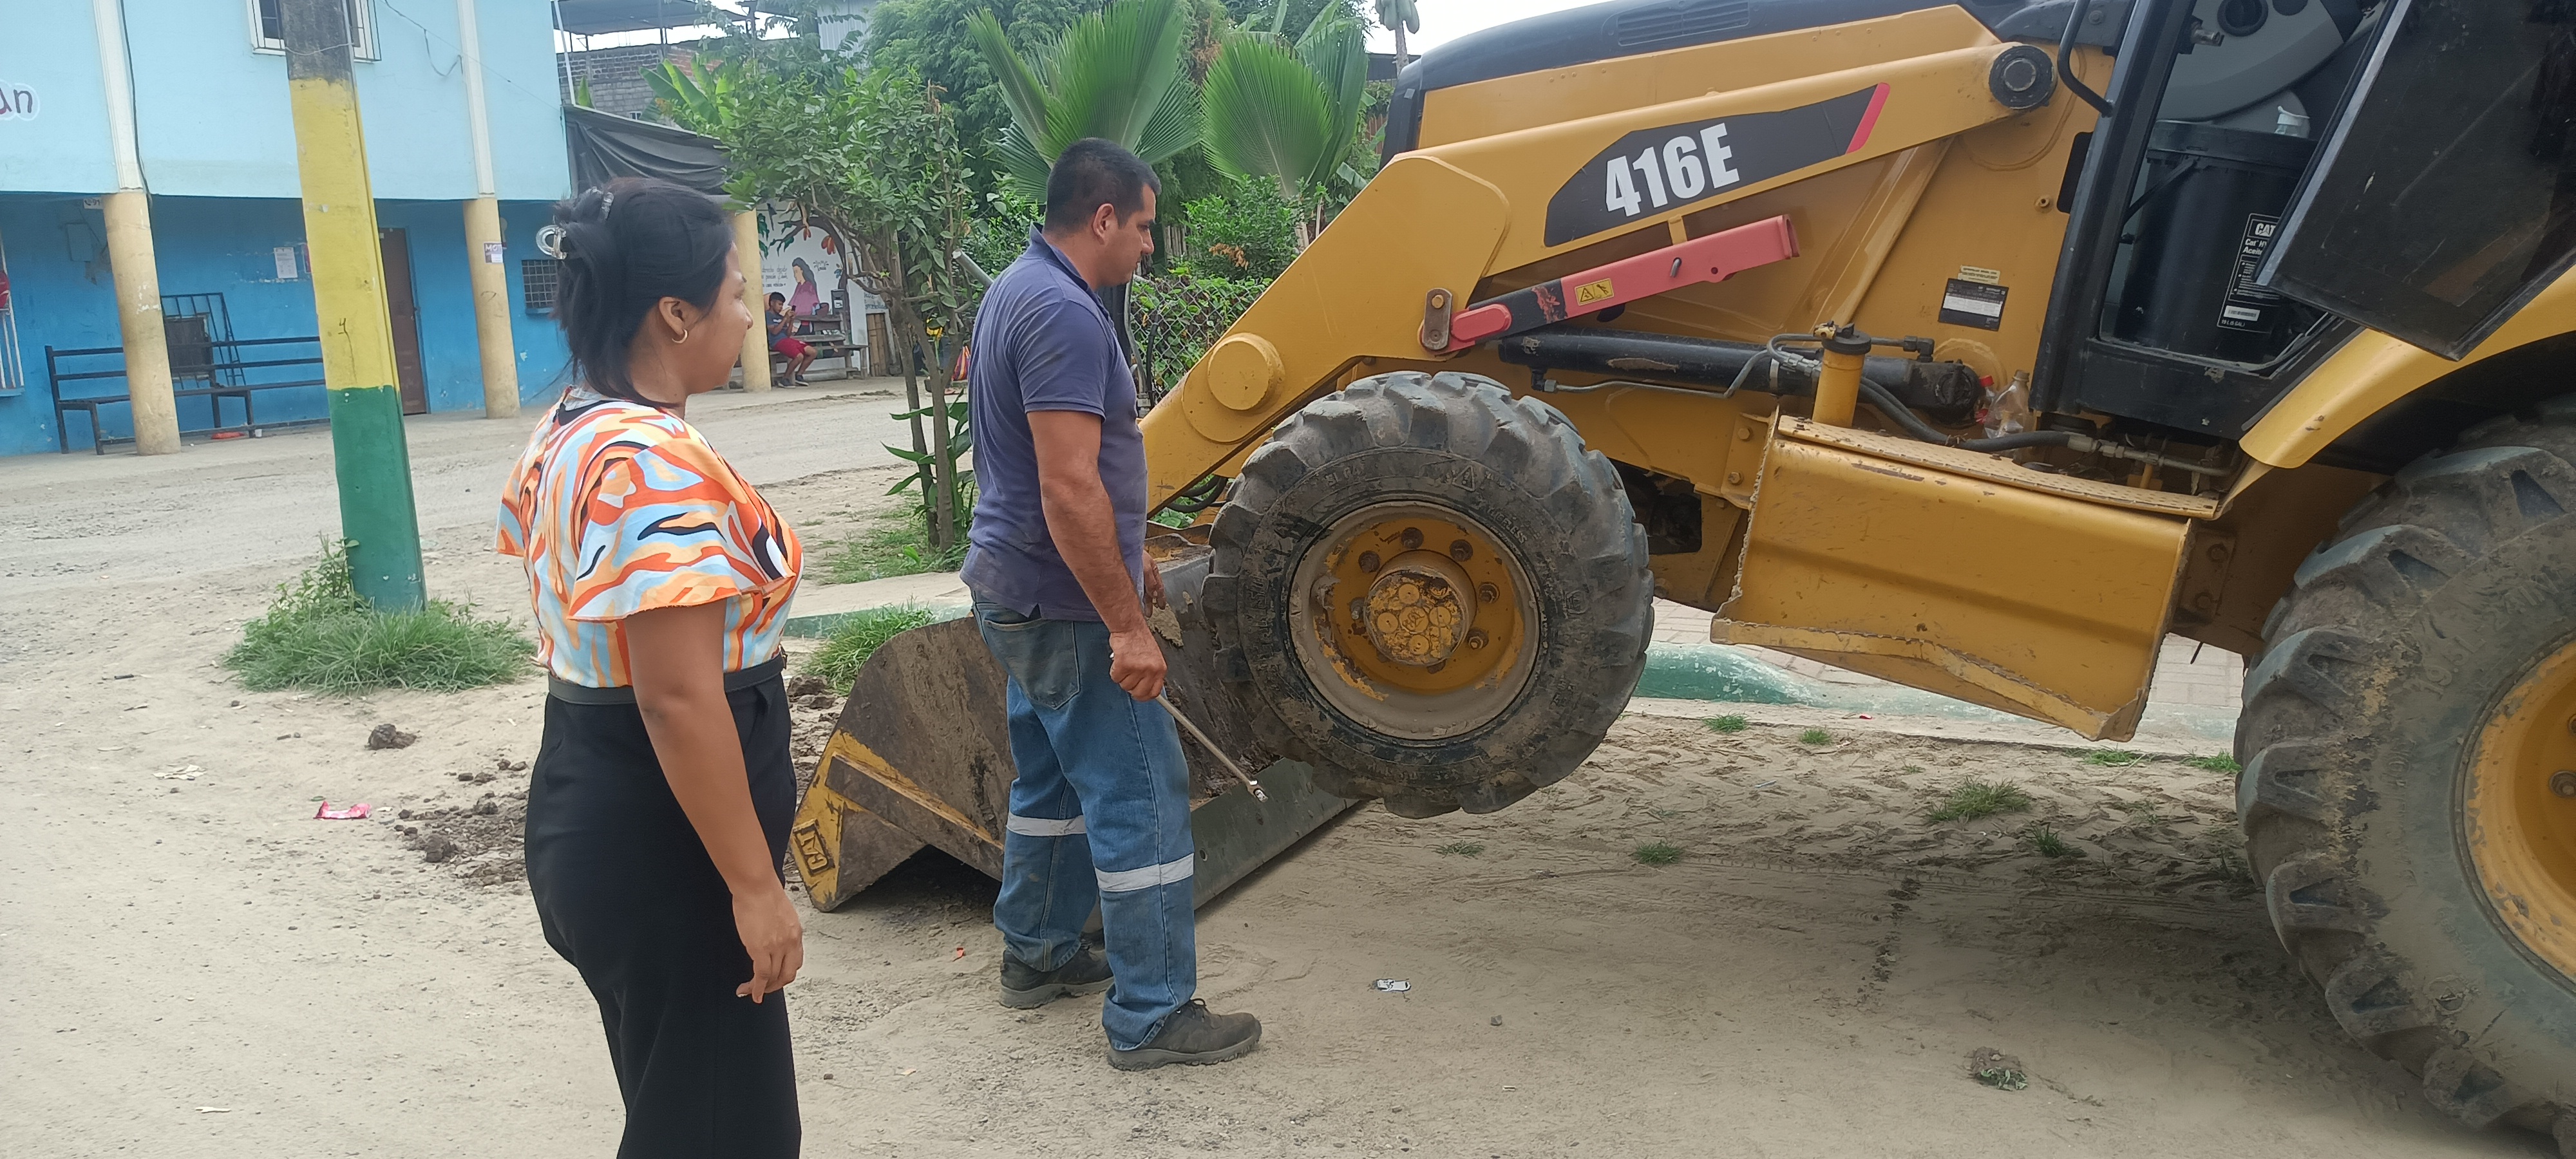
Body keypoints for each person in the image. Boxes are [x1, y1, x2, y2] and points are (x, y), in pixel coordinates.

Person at [497, 176, 804, 1156]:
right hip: (669, 837)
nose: (749, 315)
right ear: (675, 313)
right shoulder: (649, 462)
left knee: (686, 1114)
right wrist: (752, 888)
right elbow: (675, 696)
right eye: (736, 292)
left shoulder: (574, 425)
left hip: (602, 789)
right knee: (728, 1134)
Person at [962, 138, 1262, 1070]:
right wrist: (1127, 627)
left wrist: (1130, 559)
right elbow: (1068, 486)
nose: (1147, 245)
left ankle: (1038, 952)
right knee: (1141, 793)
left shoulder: (1020, 287)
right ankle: (1153, 1013)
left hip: (1016, 588)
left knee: (1053, 782)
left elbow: (1064, 472)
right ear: (1102, 218)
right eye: (1142, 226)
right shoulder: (1065, 312)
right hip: (1062, 605)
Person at [766, 292, 815, 386]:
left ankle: (799, 375)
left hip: (787, 340)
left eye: (782, 305)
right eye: (779, 304)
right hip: (776, 342)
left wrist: (791, 321)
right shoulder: (768, 315)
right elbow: (774, 332)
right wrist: (785, 319)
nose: (781, 307)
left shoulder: (781, 317)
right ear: (772, 303)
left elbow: (788, 334)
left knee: (813, 352)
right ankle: (784, 379)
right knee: (799, 357)